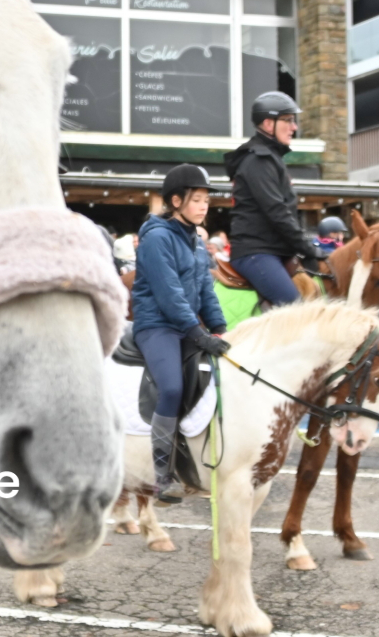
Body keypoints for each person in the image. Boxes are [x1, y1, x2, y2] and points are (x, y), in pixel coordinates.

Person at [131, 165, 230, 504]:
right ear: (176, 201)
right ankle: (162, 475)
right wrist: (197, 333)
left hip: (186, 326)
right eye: (197, 200)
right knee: (172, 388)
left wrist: (220, 329)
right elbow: (168, 294)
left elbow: (205, 289)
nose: (204, 206)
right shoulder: (156, 238)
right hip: (157, 326)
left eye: (206, 201)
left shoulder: (197, 242)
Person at [224, 92, 324, 307]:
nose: (294, 127)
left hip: (275, 251)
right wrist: (308, 249)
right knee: (296, 309)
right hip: (256, 253)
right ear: (269, 124)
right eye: (288, 120)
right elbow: (278, 213)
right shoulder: (259, 161)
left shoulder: (271, 158)